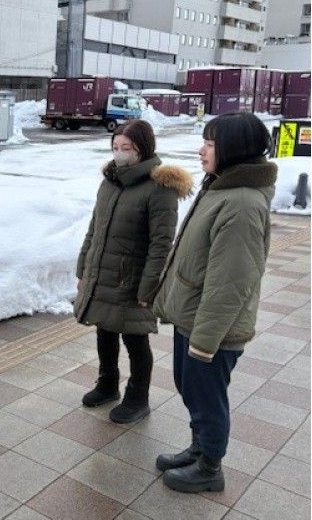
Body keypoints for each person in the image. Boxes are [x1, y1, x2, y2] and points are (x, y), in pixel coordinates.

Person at [152, 113, 276, 493]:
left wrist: (204, 342)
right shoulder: (220, 187)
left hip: (212, 330)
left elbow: (231, 282)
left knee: (207, 398)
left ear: (233, 148)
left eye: (210, 143)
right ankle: (198, 448)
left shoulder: (241, 203)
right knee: (192, 390)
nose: (200, 150)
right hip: (193, 317)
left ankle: (210, 467)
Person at [75, 120, 192, 424]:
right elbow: (94, 228)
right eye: (115, 147)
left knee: (135, 339)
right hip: (104, 273)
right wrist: (84, 268)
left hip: (133, 279)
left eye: (126, 148)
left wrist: (148, 288)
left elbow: (161, 243)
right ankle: (107, 384)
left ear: (143, 148)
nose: (119, 154)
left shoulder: (159, 188)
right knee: (104, 329)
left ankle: (138, 397)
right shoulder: (111, 181)